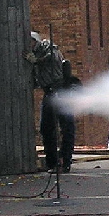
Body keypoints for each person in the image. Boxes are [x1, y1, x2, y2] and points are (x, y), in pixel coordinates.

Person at [26, 32, 76, 172]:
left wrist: (37, 60)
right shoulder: (33, 56)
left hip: (60, 90)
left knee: (66, 127)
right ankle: (52, 163)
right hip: (49, 92)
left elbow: (52, 57)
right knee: (46, 128)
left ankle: (65, 161)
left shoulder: (47, 46)